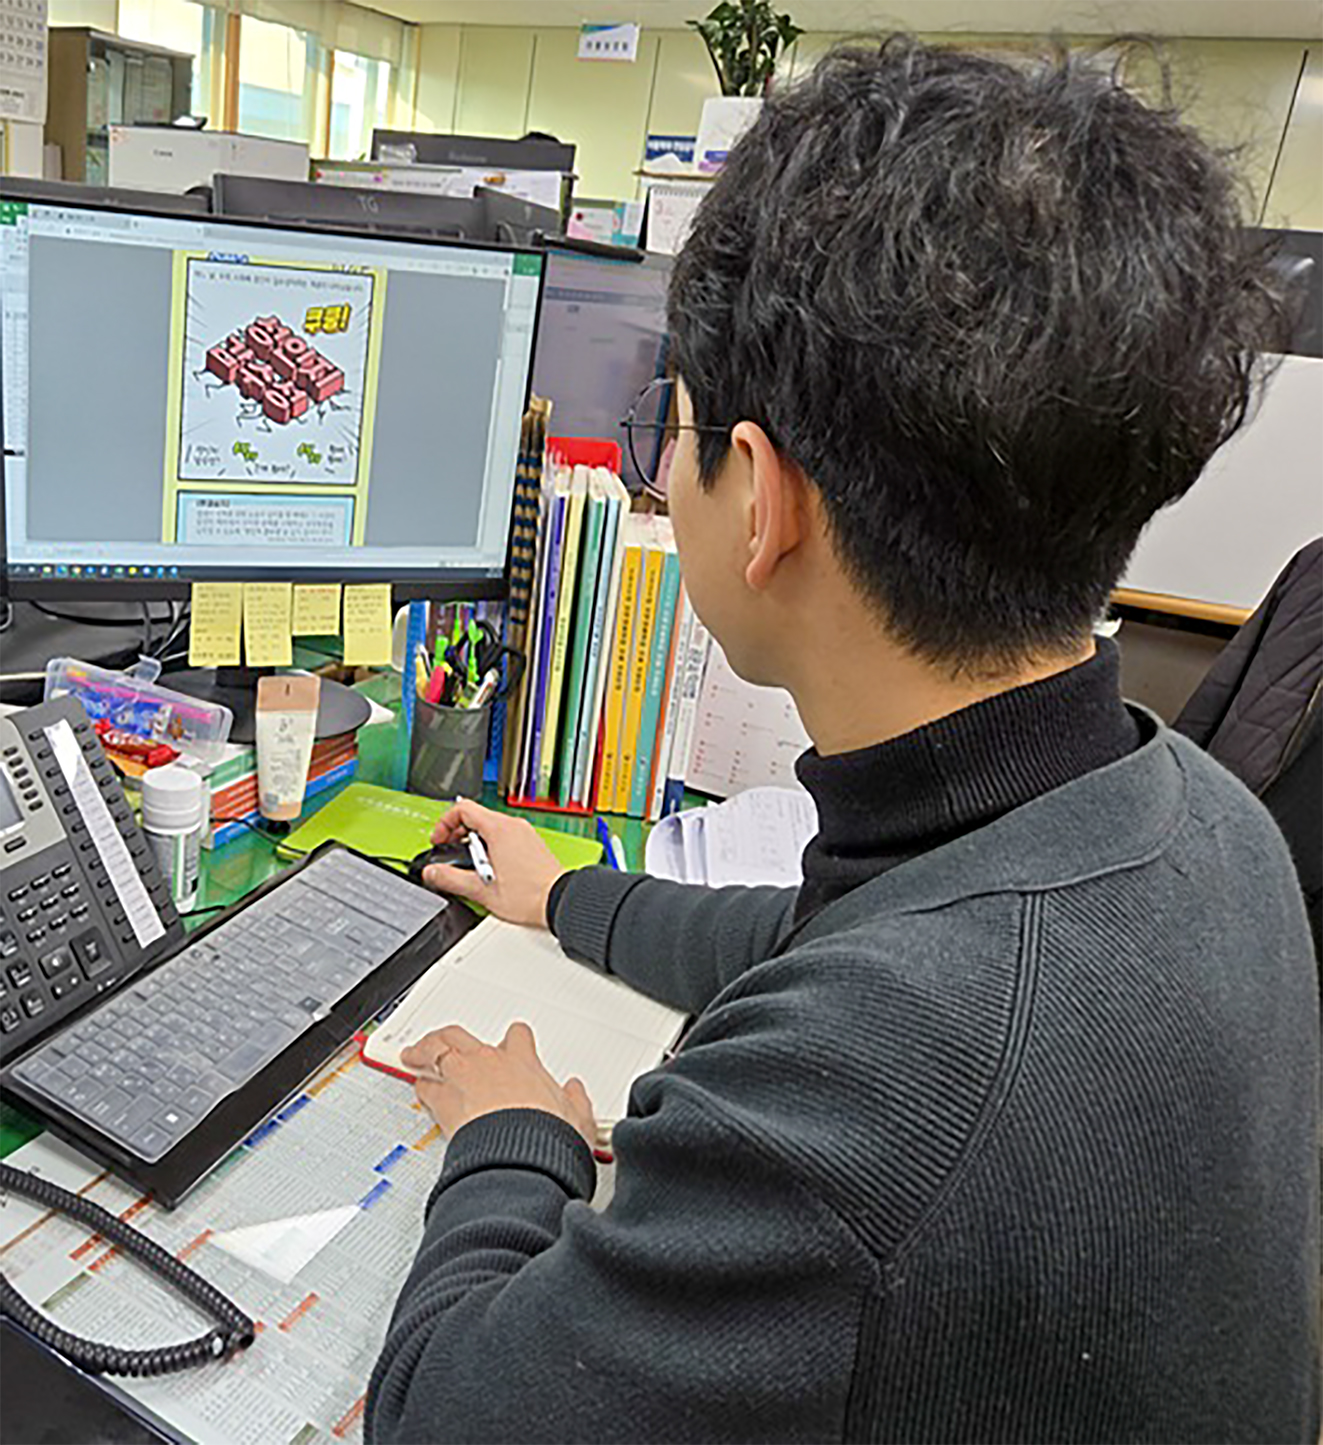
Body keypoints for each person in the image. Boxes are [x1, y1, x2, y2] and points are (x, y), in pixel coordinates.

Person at [367, 37, 1319, 1444]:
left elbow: (443, 1419)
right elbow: (838, 940)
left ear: (758, 498)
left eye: (667, 431)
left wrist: (519, 1140)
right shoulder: (1198, 818)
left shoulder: (875, 1090)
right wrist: (568, 895)